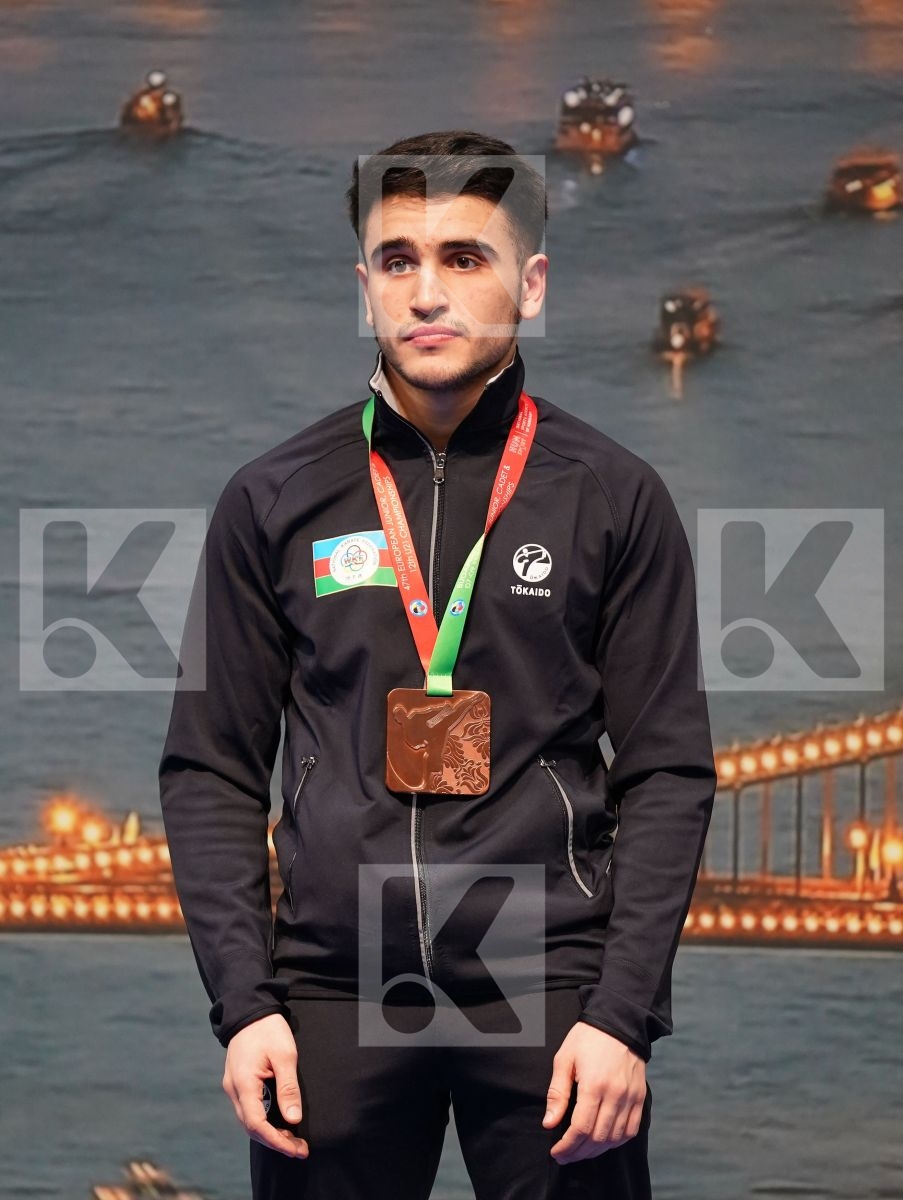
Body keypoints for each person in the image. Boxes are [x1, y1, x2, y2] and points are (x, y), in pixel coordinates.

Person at [158, 129, 717, 1199]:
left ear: (531, 282)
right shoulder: (275, 499)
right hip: (331, 980)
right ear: (362, 283)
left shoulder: (613, 496)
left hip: (550, 984)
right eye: (398, 259)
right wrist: (246, 1004)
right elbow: (211, 769)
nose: (427, 291)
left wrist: (623, 1014)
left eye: (465, 257)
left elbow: (669, 773)